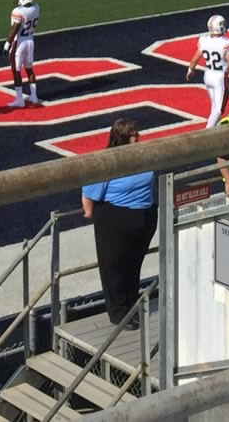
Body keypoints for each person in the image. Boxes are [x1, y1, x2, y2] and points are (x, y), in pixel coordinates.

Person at [82, 118, 158, 325]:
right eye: (132, 135)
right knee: (114, 266)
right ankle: (119, 313)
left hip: (144, 215)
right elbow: (89, 194)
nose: (137, 137)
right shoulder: (107, 161)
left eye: (137, 133)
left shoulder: (143, 155)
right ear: (121, 138)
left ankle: (131, 305)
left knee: (134, 265)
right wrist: (90, 213)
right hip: (115, 218)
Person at [185, 14, 229, 127]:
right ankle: (208, 131)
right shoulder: (226, 43)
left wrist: (190, 70)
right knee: (219, 109)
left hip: (207, 75)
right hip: (219, 77)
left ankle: (214, 128)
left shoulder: (204, 40)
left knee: (214, 105)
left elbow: (195, 59)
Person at [4, 0, 41, 106]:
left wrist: (7, 43)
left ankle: (19, 99)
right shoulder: (36, 8)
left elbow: (14, 28)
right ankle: (34, 96)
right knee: (29, 69)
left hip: (19, 42)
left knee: (16, 70)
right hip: (30, 40)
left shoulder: (18, 12)